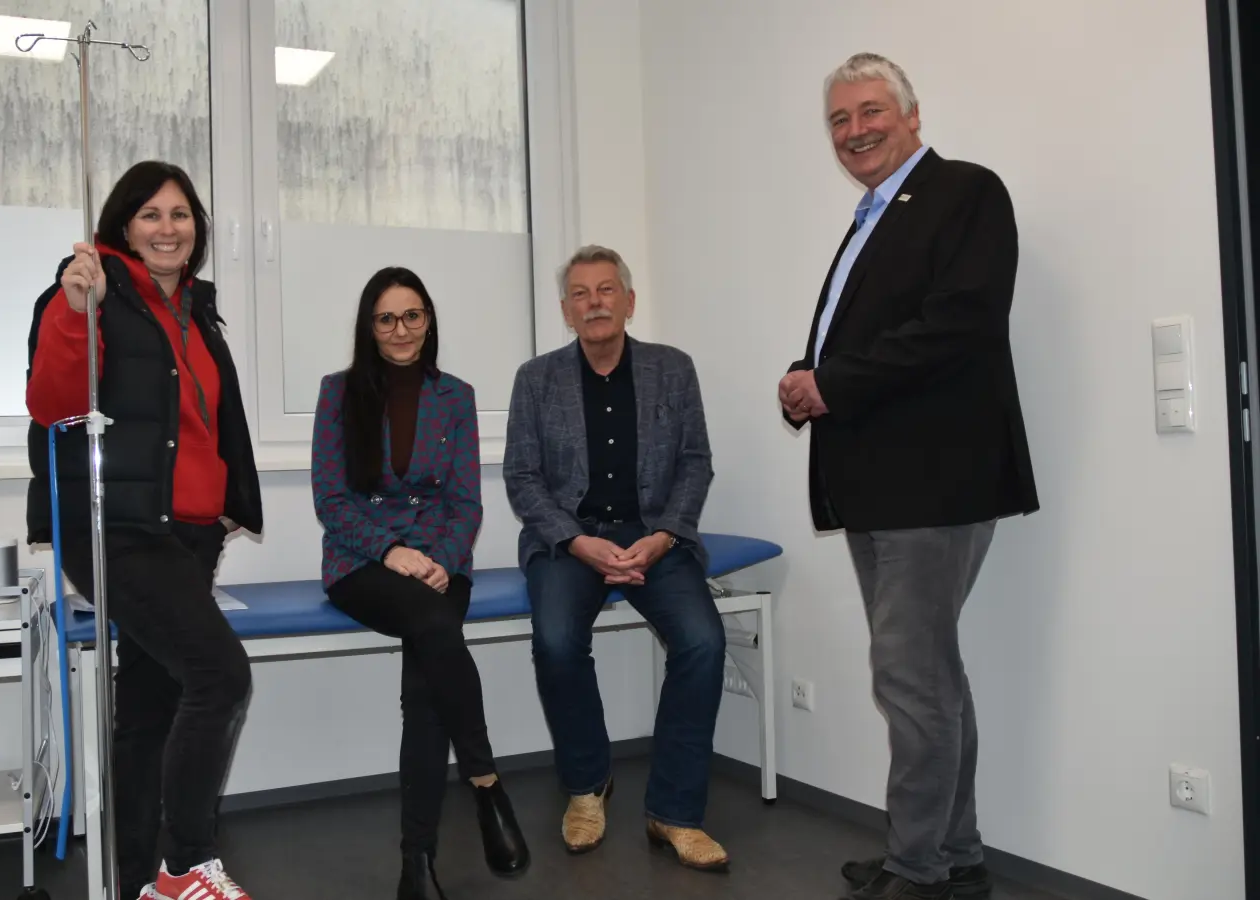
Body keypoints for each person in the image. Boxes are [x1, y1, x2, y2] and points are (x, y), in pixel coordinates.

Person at [778, 53, 1038, 900]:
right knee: (931, 677)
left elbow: (958, 325)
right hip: (877, 485)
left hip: (935, 483)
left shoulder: (965, 192)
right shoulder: (871, 215)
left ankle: (916, 869)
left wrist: (834, 383)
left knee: (909, 680)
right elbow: (864, 339)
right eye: (839, 121)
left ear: (912, 114)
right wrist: (806, 376)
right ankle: (954, 855)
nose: (854, 131)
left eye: (869, 112)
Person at [25, 160, 264, 900]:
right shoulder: (92, 295)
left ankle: (135, 884)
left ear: (198, 230)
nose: (169, 228)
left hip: (190, 537)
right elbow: (53, 404)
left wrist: (227, 506)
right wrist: (73, 311)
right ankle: (185, 865)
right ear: (123, 224)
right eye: (152, 214)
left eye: (181, 215)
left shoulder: (195, 308)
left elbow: (210, 423)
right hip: (122, 532)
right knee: (222, 676)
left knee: (152, 712)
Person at [503, 245, 727, 871]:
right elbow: (522, 477)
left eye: (606, 290)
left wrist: (663, 537)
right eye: (580, 293)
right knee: (553, 638)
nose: (594, 302)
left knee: (704, 642)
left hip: (654, 537)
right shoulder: (536, 379)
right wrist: (577, 542)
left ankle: (674, 812)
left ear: (630, 302)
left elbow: (694, 463)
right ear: (566, 311)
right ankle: (587, 786)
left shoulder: (673, 369)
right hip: (570, 539)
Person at [311, 267, 530, 900]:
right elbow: (331, 499)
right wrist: (392, 551)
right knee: (436, 629)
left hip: (440, 562)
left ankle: (417, 865)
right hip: (361, 564)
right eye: (385, 318)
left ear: (428, 321)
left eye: (411, 316)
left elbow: (467, 502)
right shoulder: (338, 392)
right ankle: (487, 785)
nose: (400, 329)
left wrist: (438, 557)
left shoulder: (455, 397)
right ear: (368, 326)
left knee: (426, 690)